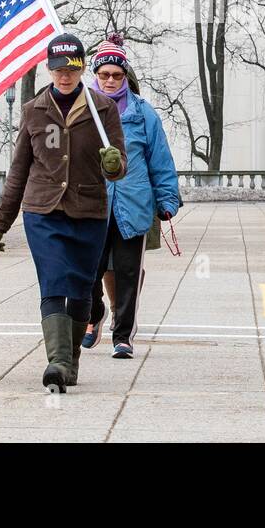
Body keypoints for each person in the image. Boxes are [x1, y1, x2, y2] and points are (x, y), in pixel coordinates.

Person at [0, 33, 127, 393]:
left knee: (81, 289)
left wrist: (113, 165)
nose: (65, 75)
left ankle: (71, 361)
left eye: (72, 68)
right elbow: (18, 170)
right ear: (49, 69)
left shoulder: (102, 109)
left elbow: (119, 165)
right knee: (54, 281)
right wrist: (0, 223)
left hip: (89, 211)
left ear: (82, 68)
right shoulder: (34, 110)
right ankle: (58, 362)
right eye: (58, 68)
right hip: (43, 211)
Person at [82, 34, 179, 358]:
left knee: (127, 273)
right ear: (95, 75)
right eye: (104, 74)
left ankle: (122, 336)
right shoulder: (83, 110)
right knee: (87, 272)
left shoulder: (143, 114)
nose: (110, 80)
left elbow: (160, 160)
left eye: (117, 75)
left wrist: (167, 199)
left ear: (125, 77)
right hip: (90, 205)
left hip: (133, 204)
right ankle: (94, 316)